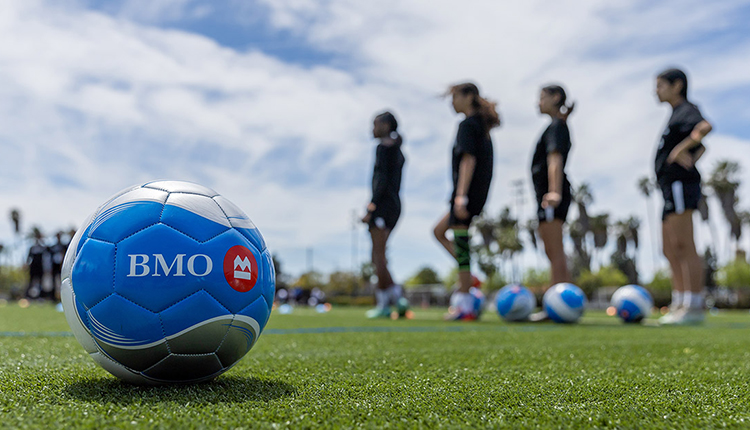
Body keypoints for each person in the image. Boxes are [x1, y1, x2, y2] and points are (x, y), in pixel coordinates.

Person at [433, 83, 500, 320]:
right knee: (439, 231)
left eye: (454, 98)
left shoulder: (468, 124)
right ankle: (469, 278)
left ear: (468, 97)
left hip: (467, 194)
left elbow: (468, 160)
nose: (452, 103)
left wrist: (461, 196)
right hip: (474, 193)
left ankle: (465, 304)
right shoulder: (480, 126)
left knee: (461, 244)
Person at [654, 68, 712, 325]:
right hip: (668, 188)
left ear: (677, 85)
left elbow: (705, 127)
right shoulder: (675, 115)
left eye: (660, 85)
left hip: (680, 184)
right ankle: (679, 302)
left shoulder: (688, 109)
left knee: (684, 244)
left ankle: (694, 305)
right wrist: (694, 151)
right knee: (668, 247)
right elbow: (702, 146)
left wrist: (681, 149)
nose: (656, 91)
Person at [362, 111, 409, 318]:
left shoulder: (383, 148)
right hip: (395, 206)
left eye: (375, 124)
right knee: (378, 256)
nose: (372, 129)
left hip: (383, 206)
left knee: (378, 256)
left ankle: (385, 304)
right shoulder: (398, 150)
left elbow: (381, 180)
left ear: (386, 125)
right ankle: (397, 298)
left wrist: (372, 206)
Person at [532, 85, 574, 287]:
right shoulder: (556, 125)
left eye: (542, 97)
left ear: (556, 97)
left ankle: (557, 300)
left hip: (551, 196)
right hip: (545, 196)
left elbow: (554, 159)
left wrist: (554, 192)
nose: (538, 102)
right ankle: (561, 300)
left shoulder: (557, 126)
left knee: (555, 250)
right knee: (551, 250)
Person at [48, 231, 68, 302]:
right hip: (54, 265)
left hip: (62, 266)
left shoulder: (63, 246)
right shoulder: (53, 247)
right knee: (53, 282)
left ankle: (63, 296)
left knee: (63, 281)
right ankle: (53, 297)